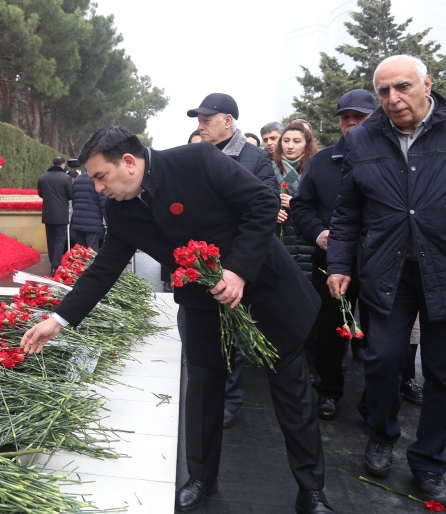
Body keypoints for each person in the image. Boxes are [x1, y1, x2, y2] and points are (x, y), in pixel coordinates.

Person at [21, 125, 330, 514]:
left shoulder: (196, 160)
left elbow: (262, 203)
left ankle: (311, 489)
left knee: (291, 390)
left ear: (129, 163)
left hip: (264, 289)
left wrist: (237, 271)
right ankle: (201, 478)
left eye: (101, 177)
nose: (99, 189)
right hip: (203, 305)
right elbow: (105, 269)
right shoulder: (120, 210)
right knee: (203, 389)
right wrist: (58, 321)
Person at [328, 55, 446, 503]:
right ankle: (381, 433)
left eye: (402, 87)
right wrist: (339, 264)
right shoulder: (362, 139)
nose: (392, 99)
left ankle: (430, 461)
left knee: (442, 373)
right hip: (387, 270)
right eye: (383, 91)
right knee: (381, 360)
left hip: (442, 270)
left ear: (427, 85)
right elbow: (348, 211)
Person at [188, 92, 279, 429]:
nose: (201, 126)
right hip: (202, 262)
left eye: (206, 119)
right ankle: (207, 396)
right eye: (198, 120)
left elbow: (266, 206)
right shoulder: (196, 155)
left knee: (234, 335)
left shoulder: (255, 158)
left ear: (228, 121)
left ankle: (230, 400)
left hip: (238, 261)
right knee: (204, 334)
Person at [290, 89, 375, 420]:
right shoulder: (322, 163)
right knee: (329, 329)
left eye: (360, 117)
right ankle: (328, 391)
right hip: (330, 261)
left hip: (380, 262)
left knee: (378, 336)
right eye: (346, 117)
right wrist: (318, 233)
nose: (352, 123)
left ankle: (374, 401)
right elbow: (301, 207)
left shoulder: (392, 158)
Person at [274, 121, 318, 281]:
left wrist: (296, 204)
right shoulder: (269, 169)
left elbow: (327, 206)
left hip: (308, 240)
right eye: (286, 141)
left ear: (306, 145)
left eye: (296, 141)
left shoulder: (316, 168)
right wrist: (272, 210)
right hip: (279, 240)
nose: (290, 146)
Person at [37, 156, 73, 274]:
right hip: (61, 213)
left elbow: (41, 193)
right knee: (60, 240)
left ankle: (52, 261)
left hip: (47, 213)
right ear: (62, 165)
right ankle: (56, 265)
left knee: (51, 239)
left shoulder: (43, 177)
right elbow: (70, 195)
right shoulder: (66, 178)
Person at [71, 169, 106, 251]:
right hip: (92, 221)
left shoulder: (77, 179)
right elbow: (103, 203)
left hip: (78, 220)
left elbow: (73, 200)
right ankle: (92, 264)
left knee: (80, 251)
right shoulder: (96, 179)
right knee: (92, 251)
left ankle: (81, 264)